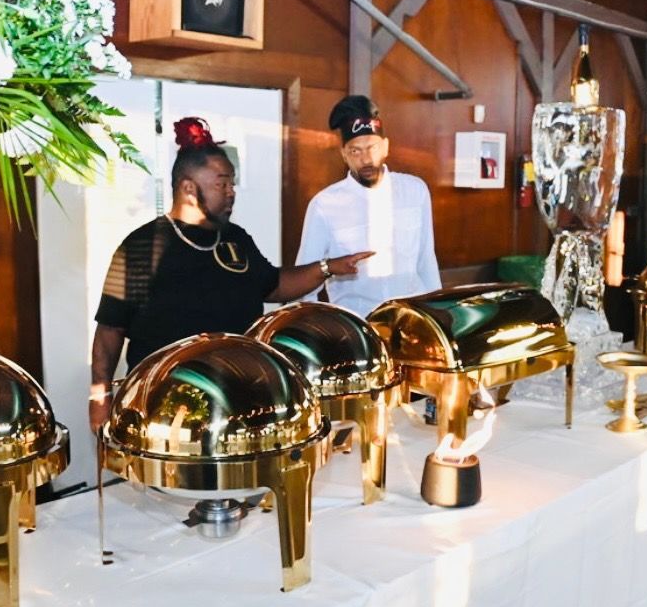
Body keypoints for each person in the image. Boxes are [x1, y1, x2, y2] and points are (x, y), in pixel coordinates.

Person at [88, 117, 372, 433]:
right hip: (165, 407)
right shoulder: (140, 247)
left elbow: (275, 286)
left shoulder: (236, 239)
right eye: (222, 183)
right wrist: (100, 398)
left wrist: (328, 267)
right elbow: (109, 331)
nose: (231, 192)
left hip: (238, 402)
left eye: (232, 183)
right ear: (188, 188)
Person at [295, 94, 441, 319]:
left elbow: (426, 261)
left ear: (385, 147)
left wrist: (438, 316)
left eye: (372, 147)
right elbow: (305, 280)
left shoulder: (415, 190)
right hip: (360, 326)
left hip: (413, 321)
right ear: (344, 154)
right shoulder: (325, 205)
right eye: (355, 151)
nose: (366, 159)